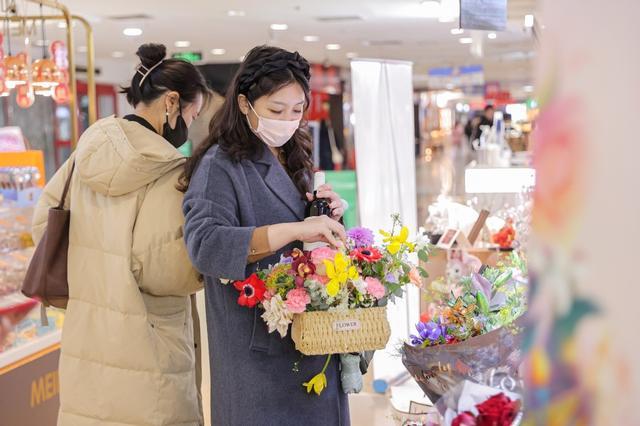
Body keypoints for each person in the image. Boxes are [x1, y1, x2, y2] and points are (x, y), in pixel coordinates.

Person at [32, 43, 209, 426]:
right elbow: (166, 271)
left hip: (87, 341)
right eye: (192, 115)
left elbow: (42, 223)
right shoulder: (167, 171)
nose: (189, 127)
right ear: (172, 103)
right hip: (148, 351)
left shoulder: (85, 153)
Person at [179, 45, 350, 425]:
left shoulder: (293, 154)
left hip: (313, 340)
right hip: (257, 355)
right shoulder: (219, 166)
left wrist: (327, 214)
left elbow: (305, 233)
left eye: (297, 110)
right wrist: (294, 228)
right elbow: (205, 246)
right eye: (276, 110)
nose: (288, 120)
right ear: (244, 103)